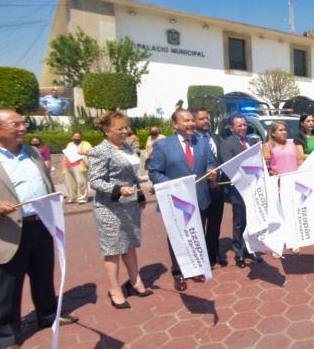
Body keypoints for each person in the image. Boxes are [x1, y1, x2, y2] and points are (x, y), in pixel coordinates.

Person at [0, 109, 78, 349]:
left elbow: (45, 182)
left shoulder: (32, 152)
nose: (22, 128)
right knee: (3, 288)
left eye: (22, 123)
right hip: (4, 231)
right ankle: (4, 338)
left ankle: (48, 315)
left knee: (43, 276)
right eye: (14, 124)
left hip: (39, 224)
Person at [88, 111, 152, 309]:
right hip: (110, 206)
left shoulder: (128, 148)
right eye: (120, 128)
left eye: (126, 127)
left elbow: (132, 176)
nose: (125, 131)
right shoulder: (100, 151)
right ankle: (114, 289)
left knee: (130, 244)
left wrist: (139, 196)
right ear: (106, 130)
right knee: (113, 249)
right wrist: (117, 189)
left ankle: (135, 281)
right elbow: (95, 181)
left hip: (130, 203)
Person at [148, 109, 217, 291]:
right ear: (175, 124)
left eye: (192, 120)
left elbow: (210, 162)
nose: (191, 124)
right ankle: (179, 273)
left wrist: (211, 171)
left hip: (199, 198)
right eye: (186, 121)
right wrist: (175, 187)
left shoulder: (202, 142)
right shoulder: (163, 145)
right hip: (176, 201)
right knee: (178, 237)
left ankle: (196, 268)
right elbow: (154, 172)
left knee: (197, 234)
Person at [219, 113, 264, 268]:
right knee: (240, 221)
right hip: (237, 189)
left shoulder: (249, 141)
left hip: (252, 188)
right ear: (231, 128)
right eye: (239, 125)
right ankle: (239, 253)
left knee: (251, 219)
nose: (243, 128)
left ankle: (250, 249)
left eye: (244, 125)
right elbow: (228, 165)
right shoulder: (226, 143)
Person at [192, 107, 226, 268]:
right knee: (200, 224)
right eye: (201, 118)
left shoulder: (215, 137)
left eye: (207, 118)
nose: (206, 121)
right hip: (200, 189)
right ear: (194, 121)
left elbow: (221, 160)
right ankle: (201, 257)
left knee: (215, 222)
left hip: (217, 187)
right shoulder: (192, 140)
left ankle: (214, 253)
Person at [262, 121, 300, 258]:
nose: (284, 132)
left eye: (285, 129)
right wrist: (270, 172)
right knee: (277, 216)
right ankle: (276, 245)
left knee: (292, 213)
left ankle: (292, 241)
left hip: (293, 185)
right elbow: (265, 165)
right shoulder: (267, 146)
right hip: (277, 186)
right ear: (273, 133)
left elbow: (300, 161)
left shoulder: (291, 144)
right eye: (280, 130)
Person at [63, 131, 92, 204]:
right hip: (68, 165)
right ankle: (73, 198)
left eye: (78, 137)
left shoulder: (86, 144)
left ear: (81, 137)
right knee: (70, 183)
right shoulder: (69, 144)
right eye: (75, 136)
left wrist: (84, 152)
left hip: (80, 165)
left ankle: (82, 199)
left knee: (81, 182)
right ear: (72, 137)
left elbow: (92, 153)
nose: (76, 138)